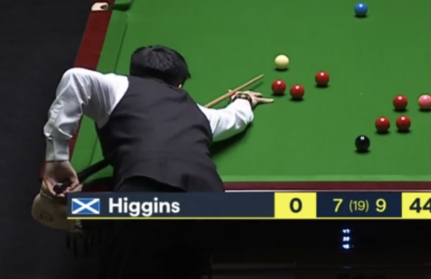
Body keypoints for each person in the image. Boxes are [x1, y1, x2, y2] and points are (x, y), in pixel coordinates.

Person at [40, 45, 273, 279]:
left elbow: (76, 78)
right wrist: (244, 100)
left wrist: (57, 157)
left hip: (144, 197)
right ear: (179, 85)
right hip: (210, 201)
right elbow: (235, 118)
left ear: (133, 73)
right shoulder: (200, 113)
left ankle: (86, 216)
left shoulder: (118, 86)